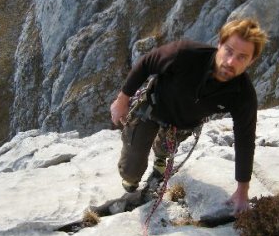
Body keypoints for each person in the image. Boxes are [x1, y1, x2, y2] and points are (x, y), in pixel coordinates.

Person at [110, 18, 267, 214]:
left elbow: (245, 139)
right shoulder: (185, 54)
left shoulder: (242, 94)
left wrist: (242, 189)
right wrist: (122, 100)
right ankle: (132, 177)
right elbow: (147, 63)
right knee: (130, 171)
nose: (230, 61)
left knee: (165, 149)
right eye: (228, 50)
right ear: (219, 45)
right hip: (153, 108)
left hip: (183, 124)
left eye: (242, 57)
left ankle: (160, 159)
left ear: (251, 61)